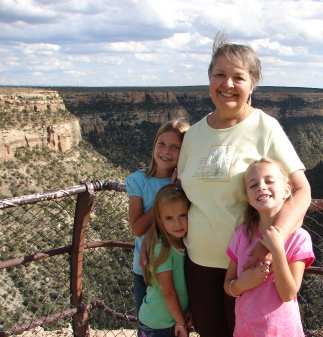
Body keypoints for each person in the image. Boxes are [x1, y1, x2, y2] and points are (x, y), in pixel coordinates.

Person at [176, 32, 312, 337]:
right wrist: (152, 239)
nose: (227, 84)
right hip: (198, 262)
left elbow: (301, 191)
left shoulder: (265, 127)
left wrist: (271, 242)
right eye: (219, 75)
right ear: (208, 79)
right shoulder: (194, 134)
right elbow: (179, 195)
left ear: (252, 84)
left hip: (249, 267)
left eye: (238, 77)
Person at [224, 158, 315, 337]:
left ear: (287, 190)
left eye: (270, 181)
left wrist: (277, 250)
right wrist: (241, 285)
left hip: (282, 331)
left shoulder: (299, 238)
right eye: (253, 185)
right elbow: (228, 284)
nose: (261, 187)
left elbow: (288, 293)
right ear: (248, 199)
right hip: (246, 329)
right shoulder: (242, 235)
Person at [125, 119, 190, 335]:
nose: (166, 151)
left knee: (180, 322)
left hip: (181, 266)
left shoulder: (187, 182)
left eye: (175, 147)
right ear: (153, 144)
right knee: (151, 323)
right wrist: (168, 192)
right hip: (145, 269)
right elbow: (137, 228)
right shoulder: (138, 180)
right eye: (161, 144)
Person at [138, 184, 192, 337]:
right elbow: (167, 291)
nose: (178, 224)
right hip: (157, 324)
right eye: (169, 218)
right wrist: (180, 322)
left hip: (172, 319)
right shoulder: (161, 248)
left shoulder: (184, 242)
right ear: (160, 220)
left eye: (183, 215)